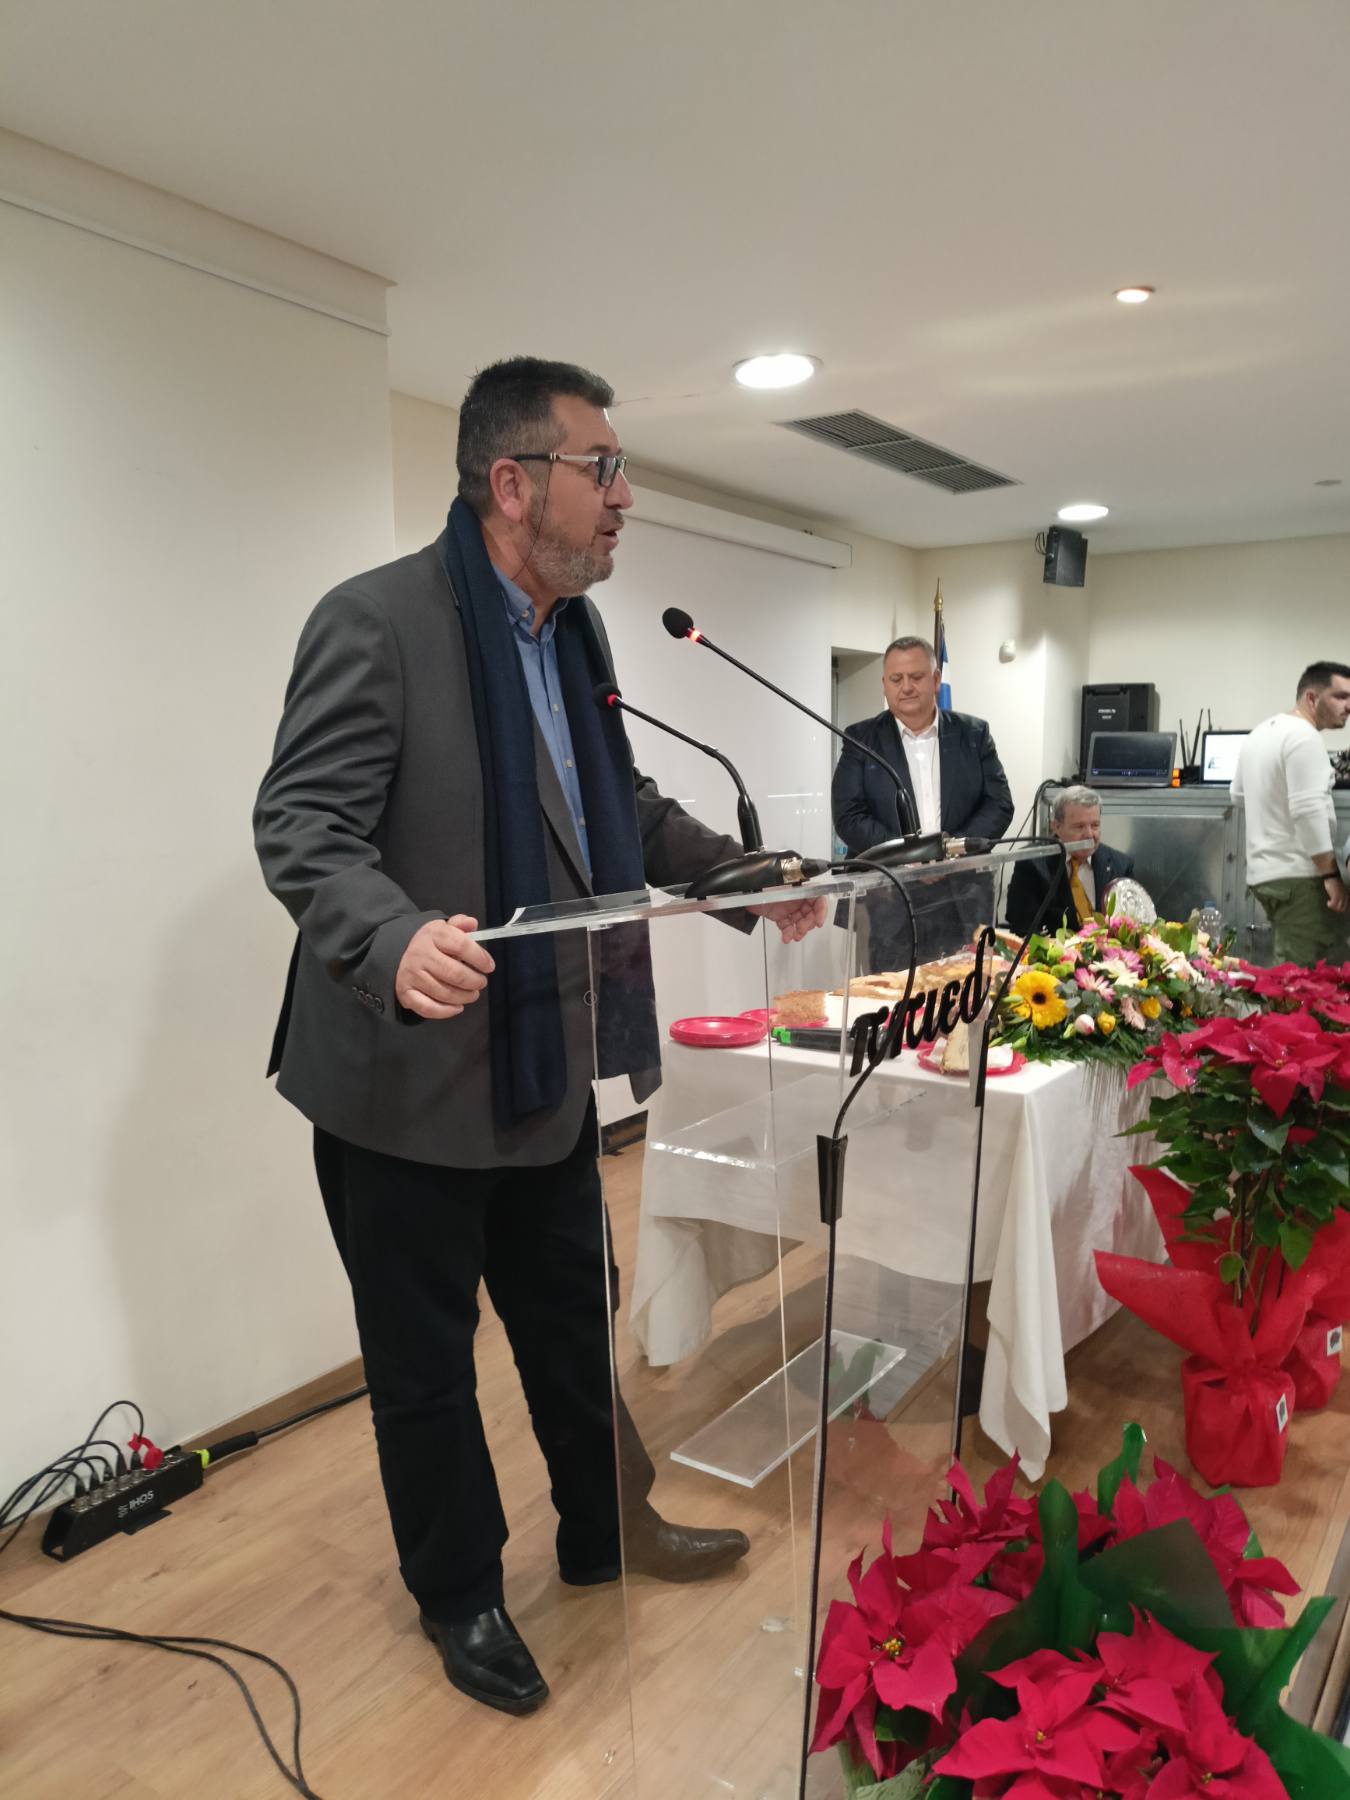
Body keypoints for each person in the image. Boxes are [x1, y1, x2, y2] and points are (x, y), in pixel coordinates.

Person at [254, 356, 825, 1718]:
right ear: (512, 484)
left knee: (573, 1326)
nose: (623, 496)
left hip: (539, 1066)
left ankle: (605, 1529)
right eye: (602, 468)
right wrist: (392, 936)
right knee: (427, 1371)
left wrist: (743, 876)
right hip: (405, 1083)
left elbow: (613, 800)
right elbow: (302, 824)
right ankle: (460, 1594)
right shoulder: (378, 621)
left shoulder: (576, 637)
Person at [831, 636, 1014, 961]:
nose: (906, 687)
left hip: (963, 895)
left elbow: (999, 804)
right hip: (889, 900)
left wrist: (951, 851)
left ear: (935, 679)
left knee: (966, 987)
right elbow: (849, 816)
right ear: (884, 684)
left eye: (916, 677)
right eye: (896, 679)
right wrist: (910, 856)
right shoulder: (861, 739)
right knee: (893, 992)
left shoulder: (973, 734)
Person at [1232, 661, 1350, 964]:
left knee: (1290, 969)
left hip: (1264, 876)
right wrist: (1331, 875)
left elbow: (1238, 795)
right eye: (1340, 696)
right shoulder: (1305, 737)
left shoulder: (1260, 733)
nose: (1348, 706)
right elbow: (1308, 810)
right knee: (1305, 979)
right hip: (1300, 877)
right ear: (1311, 697)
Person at [1005, 784, 1133, 936]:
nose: (1089, 834)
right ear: (1056, 827)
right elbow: (1023, 929)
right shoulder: (1032, 863)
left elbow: (1130, 927)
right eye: (1079, 826)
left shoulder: (1121, 865)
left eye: (1095, 825)